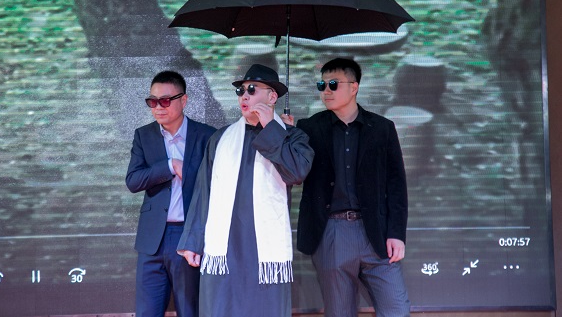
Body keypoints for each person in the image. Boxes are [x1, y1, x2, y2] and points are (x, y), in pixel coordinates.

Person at [178, 64, 314, 317]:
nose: (244, 96)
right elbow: (203, 192)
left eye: (252, 89)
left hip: (264, 249)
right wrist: (193, 242)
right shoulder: (220, 139)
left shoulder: (292, 137)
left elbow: (296, 172)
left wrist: (272, 128)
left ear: (272, 97)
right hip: (224, 247)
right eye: (240, 90)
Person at [295, 57, 410, 317]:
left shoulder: (382, 128)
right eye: (322, 85)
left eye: (333, 84)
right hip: (331, 231)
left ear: (354, 87)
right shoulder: (308, 128)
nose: (326, 90)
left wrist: (396, 233)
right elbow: (295, 174)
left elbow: (396, 185)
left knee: (396, 310)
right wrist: (287, 137)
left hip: (376, 233)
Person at [126, 70, 216, 317]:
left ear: (183, 100)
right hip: (152, 238)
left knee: (190, 310)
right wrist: (170, 166)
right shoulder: (144, 135)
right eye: (152, 101)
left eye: (165, 101)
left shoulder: (207, 136)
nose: (158, 107)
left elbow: (215, 186)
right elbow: (133, 180)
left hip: (188, 235)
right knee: (147, 311)